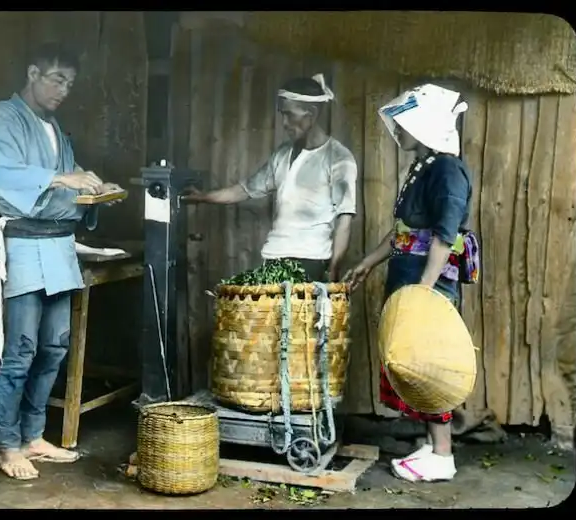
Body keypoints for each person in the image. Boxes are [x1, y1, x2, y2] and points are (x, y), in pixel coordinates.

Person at [0, 42, 123, 480]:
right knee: (20, 349)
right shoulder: (2, 118)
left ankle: (33, 436)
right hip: (25, 245)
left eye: (70, 84)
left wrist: (95, 190)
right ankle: (7, 446)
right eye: (58, 79)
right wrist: (63, 177)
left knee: (55, 346)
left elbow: (67, 187)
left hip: (59, 247)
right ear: (33, 72)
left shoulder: (55, 128)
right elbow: (6, 173)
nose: (63, 90)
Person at [343, 83, 475, 482]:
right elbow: (403, 230)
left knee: (428, 360)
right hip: (410, 277)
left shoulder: (448, 170)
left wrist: (424, 292)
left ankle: (443, 455)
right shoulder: (424, 167)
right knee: (411, 359)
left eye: (404, 124)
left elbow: (444, 236)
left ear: (424, 127)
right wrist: (367, 263)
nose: (397, 130)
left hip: (428, 282)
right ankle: (431, 446)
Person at [182, 74, 357, 282]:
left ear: (311, 114)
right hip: (274, 256)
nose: (284, 123)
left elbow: (344, 219)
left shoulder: (338, 158)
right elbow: (245, 189)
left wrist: (334, 270)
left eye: (289, 115)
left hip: (311, 260)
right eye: (282, 115)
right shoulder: (282, 154)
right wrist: (202, 197)